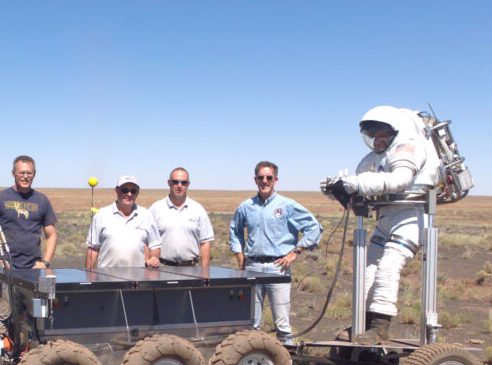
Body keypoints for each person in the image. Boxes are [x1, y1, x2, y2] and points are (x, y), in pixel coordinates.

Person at [329, 106, 440, 344]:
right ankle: (364, 324)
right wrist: (336, 188)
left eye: (382, 136)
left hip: (409, 216)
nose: (378, 141)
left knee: (389, 265)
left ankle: (380, 327)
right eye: (374, 137)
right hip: (386, 217)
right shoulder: (374, 159)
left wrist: (357, 183)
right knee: (368, 269)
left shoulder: (408, 149)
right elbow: (359, 182)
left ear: (395, 133)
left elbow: (400, 180)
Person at [229, 161, 322, 344]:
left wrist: (295, 252)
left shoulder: (287, 205)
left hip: (277, 268)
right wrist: (240, 257)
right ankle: (253, 361)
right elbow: (235, 231)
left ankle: (287, 361)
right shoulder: (246, 207)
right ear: (255, 180)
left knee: (282, 322)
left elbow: (314, 227)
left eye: (269, 177)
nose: (265, 181)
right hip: (252, 267)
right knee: (250, 321)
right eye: (261, 177)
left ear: (275, 180)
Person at [0, 155, 57, 334]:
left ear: (34, 174)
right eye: (21, 172)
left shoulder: (42, 200)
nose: (25, 176)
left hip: (35, 267)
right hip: (7, 266)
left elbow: (51, 235)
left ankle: (38, 343)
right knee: (4, 315)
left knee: (42, 312)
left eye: (29, 173)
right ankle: (1, 346)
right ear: (13, 173)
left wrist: (46, 262)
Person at [86, 175, 161, 268]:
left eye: (133, 191)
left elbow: (155, 245)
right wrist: (88, 277)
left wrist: (154, 257)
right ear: (116, 191)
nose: (129, 194)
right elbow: (93, 248)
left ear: (137, 193)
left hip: (138, 278)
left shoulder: (146, 215)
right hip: (106, 277)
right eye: (124, 190)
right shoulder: (101, 215)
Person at [149, 167, 214, 266]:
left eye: (183, 183)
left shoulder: (198, 209)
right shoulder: (156, 209)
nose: (179, 186)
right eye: (175, 182)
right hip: (162, 268)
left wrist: (204, 272)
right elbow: (146, 240)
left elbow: (205, 243)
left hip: (191, 269)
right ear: (169, 183)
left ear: (188, 184)